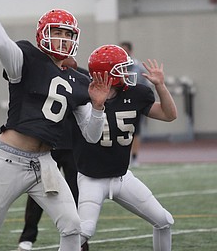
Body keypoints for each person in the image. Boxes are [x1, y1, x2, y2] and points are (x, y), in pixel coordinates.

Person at [0, 0, 110, 251]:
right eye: (57, 32)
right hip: (10, 160)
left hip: (45, 162)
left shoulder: (80, 80)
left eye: (67, 34)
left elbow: (92, 136)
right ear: (43, 35)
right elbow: (0, 43)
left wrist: (98, 107)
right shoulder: (26, 58)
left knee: (73, 225)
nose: (62, 38)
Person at [72, 44, 177, 250]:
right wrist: (97, 106)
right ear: (105, 74)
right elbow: (90, 136)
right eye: (121, 68)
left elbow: (169, 115)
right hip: (91, 178)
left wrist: (161, 86)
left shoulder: (136, 93)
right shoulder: (83, 97)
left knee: (164, 220)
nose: (127, 73)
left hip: (122, 176)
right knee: (83, 232)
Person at [17, 58, 90, 251]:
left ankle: (81, 241)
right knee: (38, 191)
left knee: (76, 193)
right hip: (49, 145)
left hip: (75, 145)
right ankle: (28, 236)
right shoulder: (43, 74)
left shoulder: (83, 76)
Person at [120, 41, 149, 167]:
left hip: (134, 103)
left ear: (130, 51)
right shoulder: (116, 65)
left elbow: (144, 86)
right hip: (119, 103)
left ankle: (135, 157)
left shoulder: (138, 67)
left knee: (135, 132)